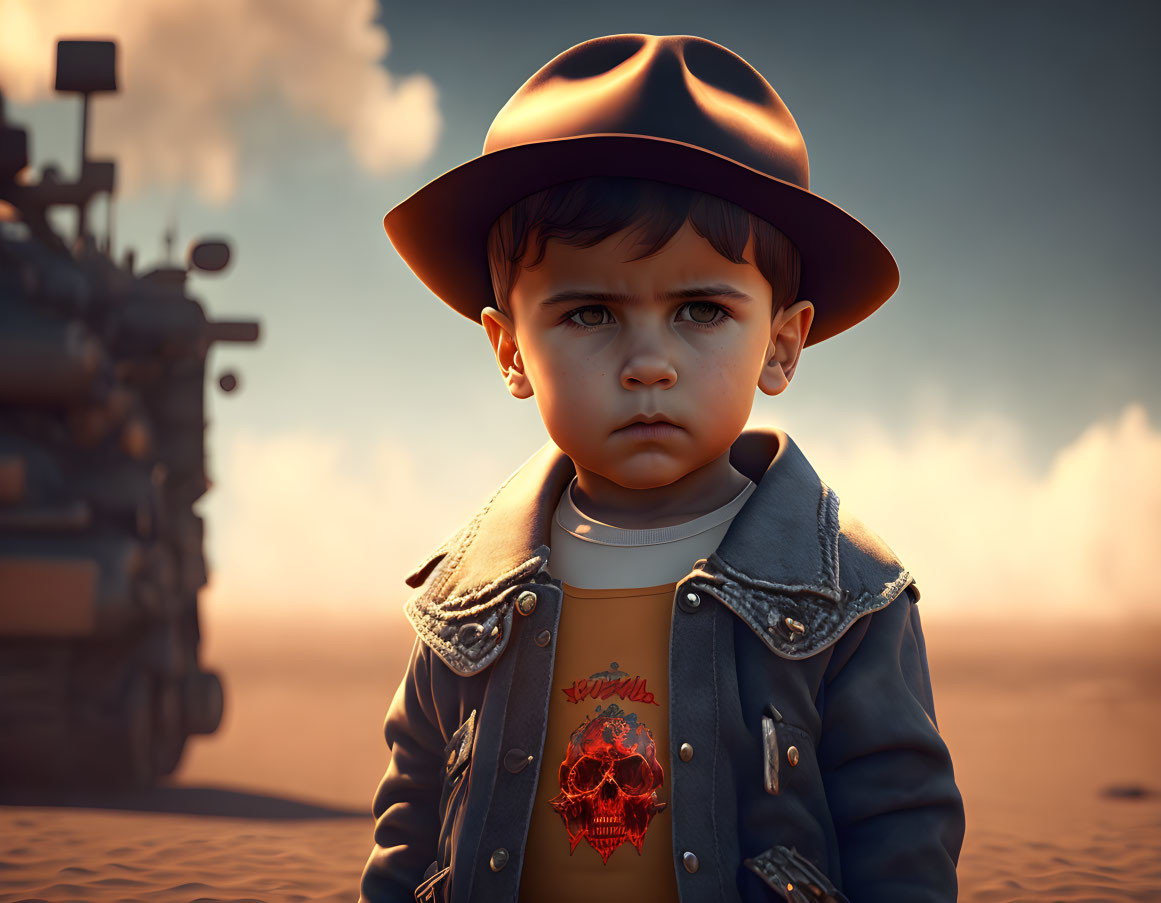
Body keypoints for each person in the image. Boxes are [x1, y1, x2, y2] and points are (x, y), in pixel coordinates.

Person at [359, 33, 964, 903]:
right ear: (510, 349)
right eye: (592, 312)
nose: (650, 362)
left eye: (699, 309)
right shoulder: (465, 599)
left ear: (782, 342)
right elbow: (410, 817)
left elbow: (901, 830)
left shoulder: (848, 601)